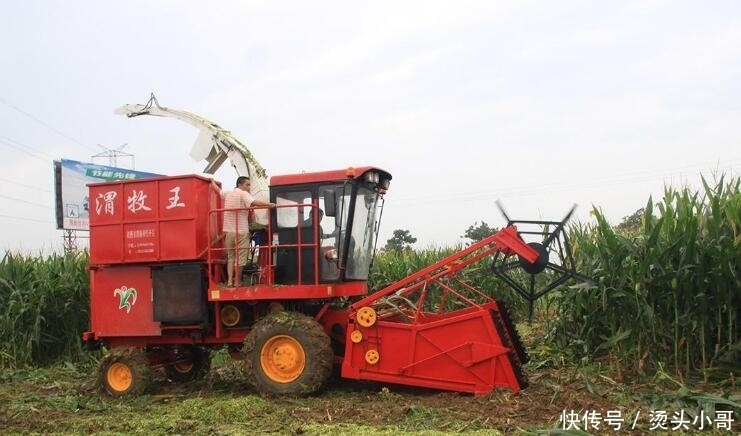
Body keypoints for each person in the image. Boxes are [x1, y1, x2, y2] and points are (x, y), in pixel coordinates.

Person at [212, 176, 275, 287]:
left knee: (231, 257)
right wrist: (269, 205)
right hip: (241, 231)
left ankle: (230, 281)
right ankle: (237, 282)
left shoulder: (228, 193)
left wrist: (212, 182)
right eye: (247, 184)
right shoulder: (244, 194)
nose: (249, 187)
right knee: (240, 259)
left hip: (229, 232)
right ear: (240, 185)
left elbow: (218, 191)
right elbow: (254, 202)